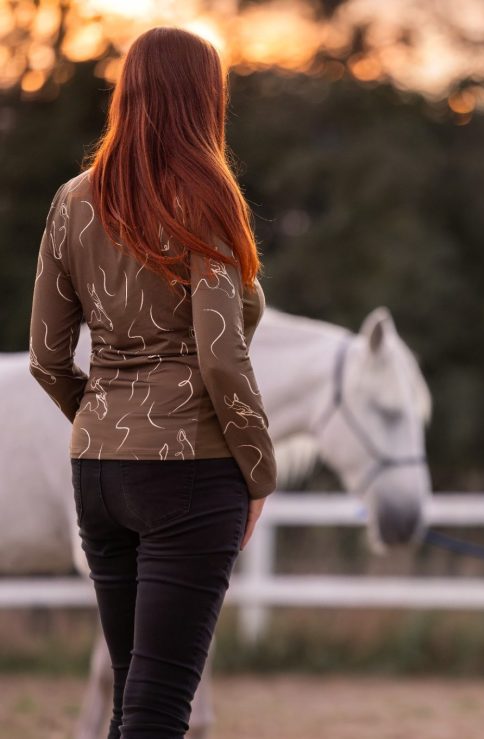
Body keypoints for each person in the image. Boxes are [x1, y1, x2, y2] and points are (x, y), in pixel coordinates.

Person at [28, 27, 277, 739]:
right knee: (158, 706)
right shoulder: (209, 198)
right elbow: (222, 358)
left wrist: (108, 420)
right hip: (190, 475)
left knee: (134, 700)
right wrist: (259, 472)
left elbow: (46, 357)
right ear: (205, 99)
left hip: (99, 474)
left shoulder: (71, 200)